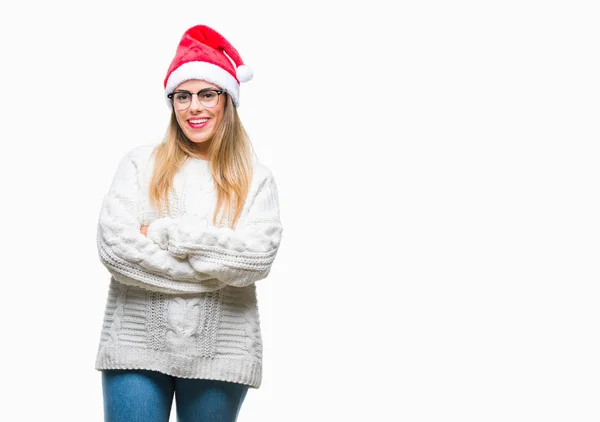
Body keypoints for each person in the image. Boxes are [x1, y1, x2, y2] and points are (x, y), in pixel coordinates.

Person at [94, 24, 284, 422]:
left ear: (227, 100)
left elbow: (256, 260)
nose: (194, 107)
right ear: (172, 103)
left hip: (221, 350)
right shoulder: (138, 164)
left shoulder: (256, 178)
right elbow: (116, 249)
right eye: (183, 96)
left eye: (206, 94)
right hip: (136, 345)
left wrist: (164, 234)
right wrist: (215, 268)